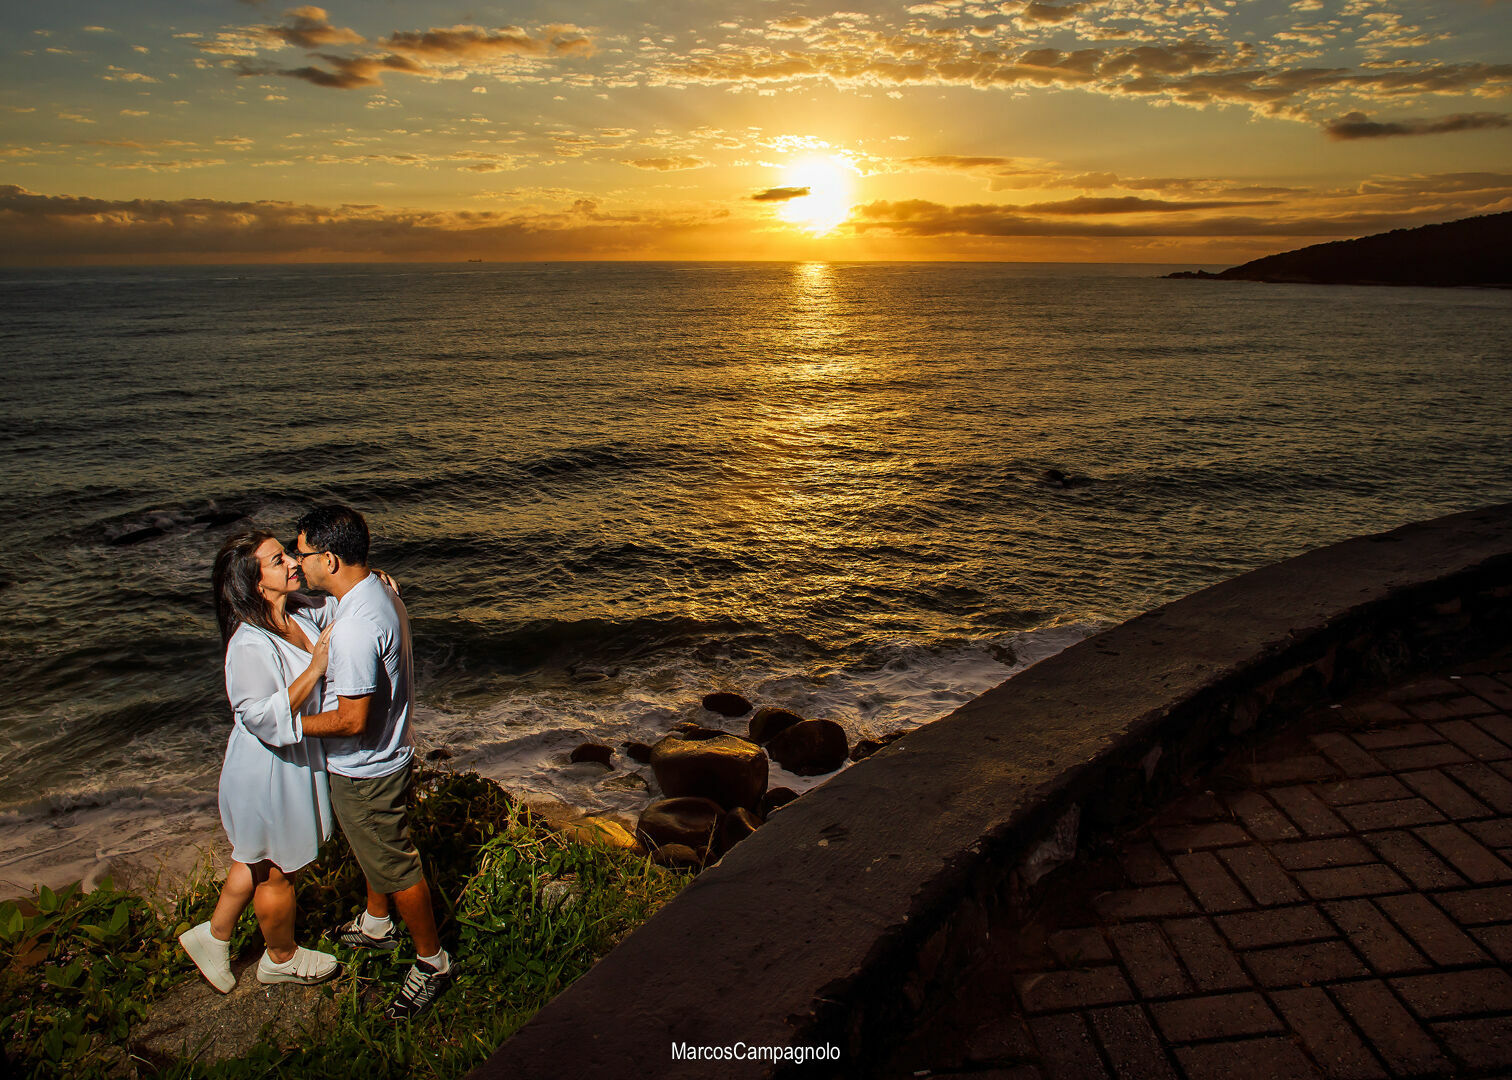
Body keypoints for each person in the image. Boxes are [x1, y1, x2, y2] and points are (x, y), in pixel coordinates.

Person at [293, 505, 453, 1020]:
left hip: (366, 769)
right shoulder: (377, 592)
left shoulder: (355, 628)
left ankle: (432, 962)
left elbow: (351, 720)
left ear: (330, 560)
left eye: (302, 554)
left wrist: (286, 726)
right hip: (391, 753)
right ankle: (377, 924)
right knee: (375, 851)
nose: (297, 563)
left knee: (396, 865)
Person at [179, 531, 342, 991]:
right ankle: (280, 958)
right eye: (277, 560)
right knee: (276, 872)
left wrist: (373, 581)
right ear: (256, 582)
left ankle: (213, 935)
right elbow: (258, 717)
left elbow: (338, 605)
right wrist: (315, 669)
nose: (292, 561)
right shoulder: (249, 644)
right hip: (267, 772)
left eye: (287, 553)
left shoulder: (298, 613)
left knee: (253, 859)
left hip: (288, 762)